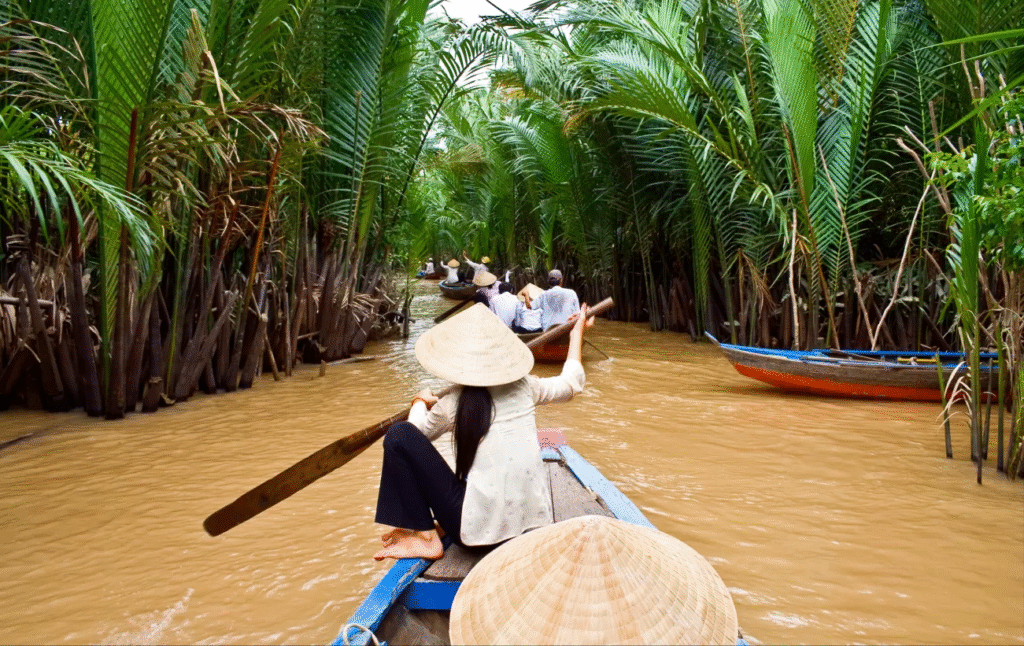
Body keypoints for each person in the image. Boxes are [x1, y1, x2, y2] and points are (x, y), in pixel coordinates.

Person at [372, 303, 595, 560]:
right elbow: (572, 383)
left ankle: (426, 537)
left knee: (399, 435)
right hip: (532, 528)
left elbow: (415, 432)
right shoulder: (525, 387)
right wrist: (576, 333)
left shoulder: (453, 402)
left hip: (476, 540)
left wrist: (420, 403)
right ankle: (441, 525)